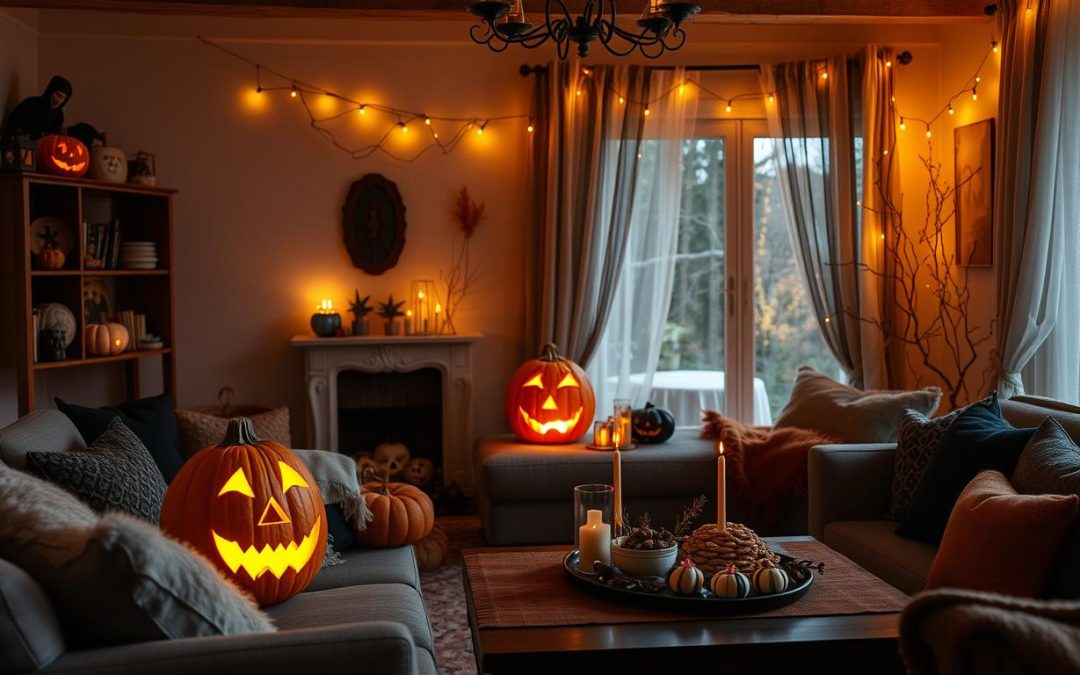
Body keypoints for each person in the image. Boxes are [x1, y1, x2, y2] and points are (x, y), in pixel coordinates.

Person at [2, 76, 73, 139]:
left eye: (63, 98)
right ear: (51, 92)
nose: (59, 101)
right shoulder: (30, 103)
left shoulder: (59, 116)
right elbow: (12, 122)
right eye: (58, 95)